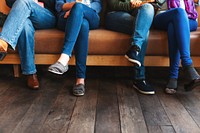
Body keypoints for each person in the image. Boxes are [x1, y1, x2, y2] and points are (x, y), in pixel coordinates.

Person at [48, 0, 102, 96]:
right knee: (83, 25)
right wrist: (74, 11)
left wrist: (79, 9)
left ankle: (64, 58)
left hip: (90, 14)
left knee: (79, 8)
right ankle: (80, 80)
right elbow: (59, 6)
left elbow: (98, 5)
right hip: (65, 17)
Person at [0, 0, 56, 89]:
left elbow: (56, 4)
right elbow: (9, 2)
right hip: (24, 13)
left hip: (46, 15)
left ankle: (4, 42)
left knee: (24, 3)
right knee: (24, 26)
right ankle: (30, 73)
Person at [105, 0, 155, 94]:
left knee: (148, 8)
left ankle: (135, 48)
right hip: (114, 15)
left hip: (136, 12)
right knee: (143, 29)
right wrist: (131, 4)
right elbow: (112, 4)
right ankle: (139, 78)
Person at [153, 0, 200, 94]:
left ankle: (173, 77)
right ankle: (187, 64)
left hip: (189, 20)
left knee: (173, 26)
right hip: (163, 16)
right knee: (179, 12)